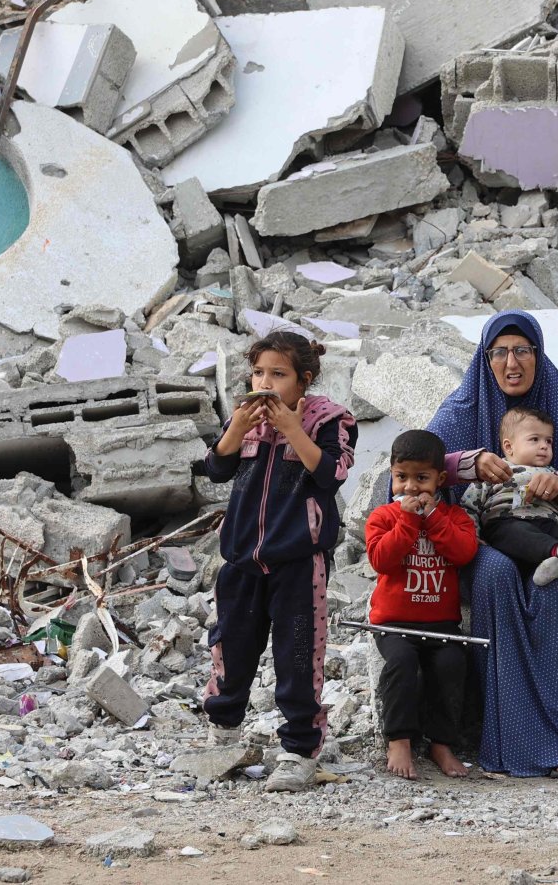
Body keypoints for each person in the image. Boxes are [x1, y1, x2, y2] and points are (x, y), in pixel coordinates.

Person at [427, 310, 558, 778]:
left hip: (555, 529)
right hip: (490, 532)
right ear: (485, 358)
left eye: (523, 351)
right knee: (496, 574)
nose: (511, 362)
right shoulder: (462, 411)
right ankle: (511, 737)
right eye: (500, 352)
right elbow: (412, 468)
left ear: (538, 355)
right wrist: (467, 464)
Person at [201, 330, 357, 793]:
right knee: (231, 647)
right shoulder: (245, 420)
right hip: (242, 558)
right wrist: (236, 429)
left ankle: (297, 752)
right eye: (258, 372)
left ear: (303, 380)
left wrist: (292, 428)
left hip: (298, 561)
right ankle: (222, 734)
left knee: (297, 656)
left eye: (278, 374)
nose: (265, 382)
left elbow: (332, 474)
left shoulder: (331, 419)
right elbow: (215, 469)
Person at [364, 429, 477, 781]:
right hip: (394, 623)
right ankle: (399, 738)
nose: (410, 487)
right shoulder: (383, 517)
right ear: (392, 476)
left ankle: (441, 743)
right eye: (402, 478)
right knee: (401, 662)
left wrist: (433, 519)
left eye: (422, 478)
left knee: (451, 664)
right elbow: (381, 560)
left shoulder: (454, 517)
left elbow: (464, 552)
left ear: (441, 479)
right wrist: (409, 521)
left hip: (440, 624)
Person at [463, 406, 558, 586]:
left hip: (546, 524)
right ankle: (554, 552)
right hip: (506, 523)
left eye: (549, 441)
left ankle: (551, 567)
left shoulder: (554, 474)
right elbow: (469, 505)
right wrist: (471, 534)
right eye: (535, 439)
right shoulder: (494, 470)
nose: (544, 446)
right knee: (518, 533)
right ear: (509, 446)